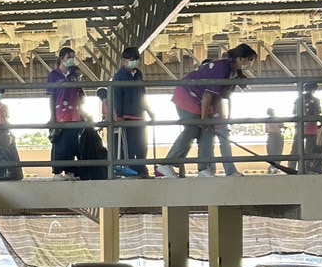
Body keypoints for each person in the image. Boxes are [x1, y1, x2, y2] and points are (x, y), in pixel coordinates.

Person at [158, 44, 258, 178]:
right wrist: (204, 119)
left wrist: (210, 117)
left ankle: (204, 169)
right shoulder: (223, 68)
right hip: (188, 95)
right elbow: (207, 95)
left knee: (208, 131)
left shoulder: (231, 73)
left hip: (200, 100)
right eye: (249, 59)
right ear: (241, 58)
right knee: (192, 128)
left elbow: (217, 97)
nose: (249, 63)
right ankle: (167, 163)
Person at [110, 46, 153, 176]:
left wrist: (148, 110)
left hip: (140, 116)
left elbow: (142, 93)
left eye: (136, 59)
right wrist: (120, 115)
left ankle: (141, 168)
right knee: (128, 145)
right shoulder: (119, 76)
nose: (134, 62)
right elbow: (117, 97)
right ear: (124, 60)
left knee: (141, 144)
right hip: (127, 116)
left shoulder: (138, 74)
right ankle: (132, 170)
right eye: (131, 59)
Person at [47, 47, 85, 175]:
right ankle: (57, 172)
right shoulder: (54, 75)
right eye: (69, 57)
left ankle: (69, 171)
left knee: (72, 144)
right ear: (61, 58)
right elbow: (51, 96)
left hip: (74, 115)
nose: (71, 60)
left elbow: (80, 95)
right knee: (60, 145)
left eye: (73, 57)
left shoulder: (74, 75)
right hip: (60, 115)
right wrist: (53, 117)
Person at [291, 83, 322, 174]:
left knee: (296, 148)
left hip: (300, 127)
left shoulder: (298, 100)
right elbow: (316, 114)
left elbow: (294, 112)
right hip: (311, 128)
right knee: (309, 150)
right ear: (314, 90)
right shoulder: (315, 100)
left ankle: (291, 167)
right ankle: (306, 169)